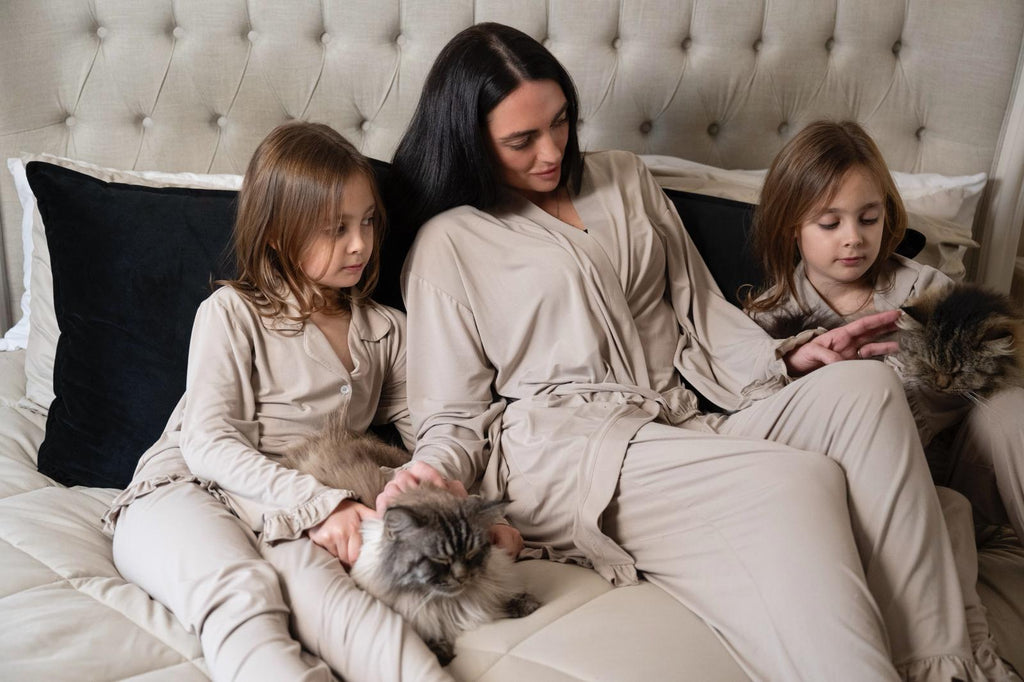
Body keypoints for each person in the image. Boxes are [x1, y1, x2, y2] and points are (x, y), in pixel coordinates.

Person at [380, 22, 992, 681]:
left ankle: (944, 669)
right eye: (521, 141)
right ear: (471, 141)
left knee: (865, 390)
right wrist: (430, 478)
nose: (552, 151)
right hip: (570, 454)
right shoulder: (449, 243)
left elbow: (699, 308)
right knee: (795, 481)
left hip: (685, 422)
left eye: (560, 122)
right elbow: (451, 413)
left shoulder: (624, 178)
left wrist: (788, 364)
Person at [102, 122, 453, 682]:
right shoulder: (231, 314)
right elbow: (208, 443)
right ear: (276, 235)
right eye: (336, 229)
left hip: (289, 512)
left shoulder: (386, 331)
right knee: (242, 594)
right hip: (186, 492)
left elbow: (433, 431)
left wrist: (450, 500)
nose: (361, 243)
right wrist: (323, 503)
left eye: (367, 222)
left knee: (345, 613)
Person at [743, 120, 1022, 679]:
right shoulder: (763, 325)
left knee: (1012, 411)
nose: (854, 238)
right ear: (790, 227)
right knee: (947, 512)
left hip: (957, 460)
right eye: (830, 223)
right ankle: (967, 662)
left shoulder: (924, 291)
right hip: (885, 497)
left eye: (869, 219)